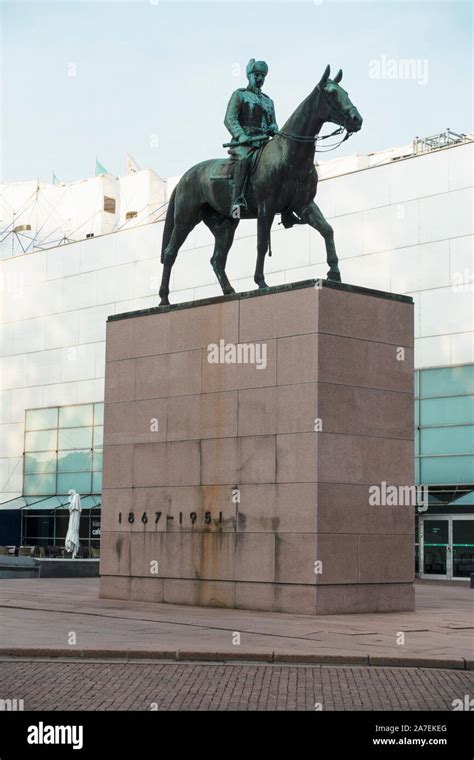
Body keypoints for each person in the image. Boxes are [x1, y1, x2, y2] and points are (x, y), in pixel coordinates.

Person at [224, 58, 303, 228]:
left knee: (284, 163)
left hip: (264, 143)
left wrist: (273, 127)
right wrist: (240, 135)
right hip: (245, 144)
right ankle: (237, 199)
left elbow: (272, 123)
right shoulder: (240, 95)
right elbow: (229, 119)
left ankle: (287, 209)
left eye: (262, 75)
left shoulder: (268, 101)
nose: (259, 78)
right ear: (249, 75)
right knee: (244, 159)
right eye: (256, 75)